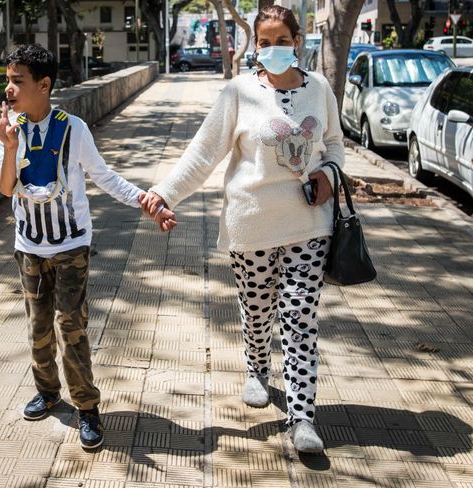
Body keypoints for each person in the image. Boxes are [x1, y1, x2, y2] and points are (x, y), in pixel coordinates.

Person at [140, 5, 344, 453]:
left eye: (281, 41)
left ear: (298, 41)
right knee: (257, 312)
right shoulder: (238, 92)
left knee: (300, 319)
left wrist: (328, 173)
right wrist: (165, 194)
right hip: (250, 223)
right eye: (264, 42)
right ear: (256, 44)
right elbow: (204, 153)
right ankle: (256, 368)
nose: (272, 49)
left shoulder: (320, 89)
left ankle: (302, 416)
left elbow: (333, 143)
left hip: (308, 223)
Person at [0, 44, 175, 450]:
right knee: (38, 326)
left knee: (70, 325)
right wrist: (6, 145)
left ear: (44, 84)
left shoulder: (73, 129)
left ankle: (87, 407)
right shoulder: (10, 129)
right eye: (7, 80)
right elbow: (6, 188)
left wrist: (146, 201)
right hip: (30, 248)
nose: (8, 89)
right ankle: (47, 391)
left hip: (71, 246)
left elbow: (105, 178)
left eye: (17, 81)